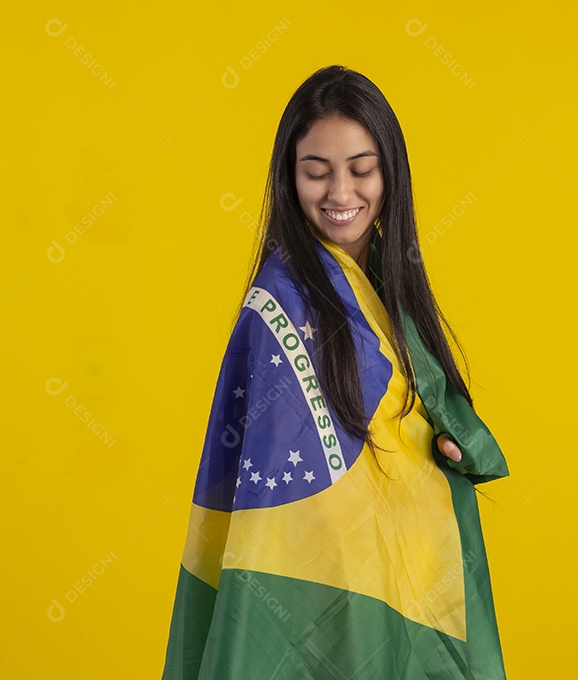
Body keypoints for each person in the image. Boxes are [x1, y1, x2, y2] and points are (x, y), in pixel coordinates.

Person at [161, 64, 510, 679]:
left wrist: (439, 447)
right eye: (316, 171)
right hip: (330, 592)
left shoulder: (388, 286)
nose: (340, 193)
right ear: (289, 177)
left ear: (390, 173)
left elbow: (407, 425)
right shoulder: (280, 306)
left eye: (361, 169)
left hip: (405, 580)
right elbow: (283, 492)